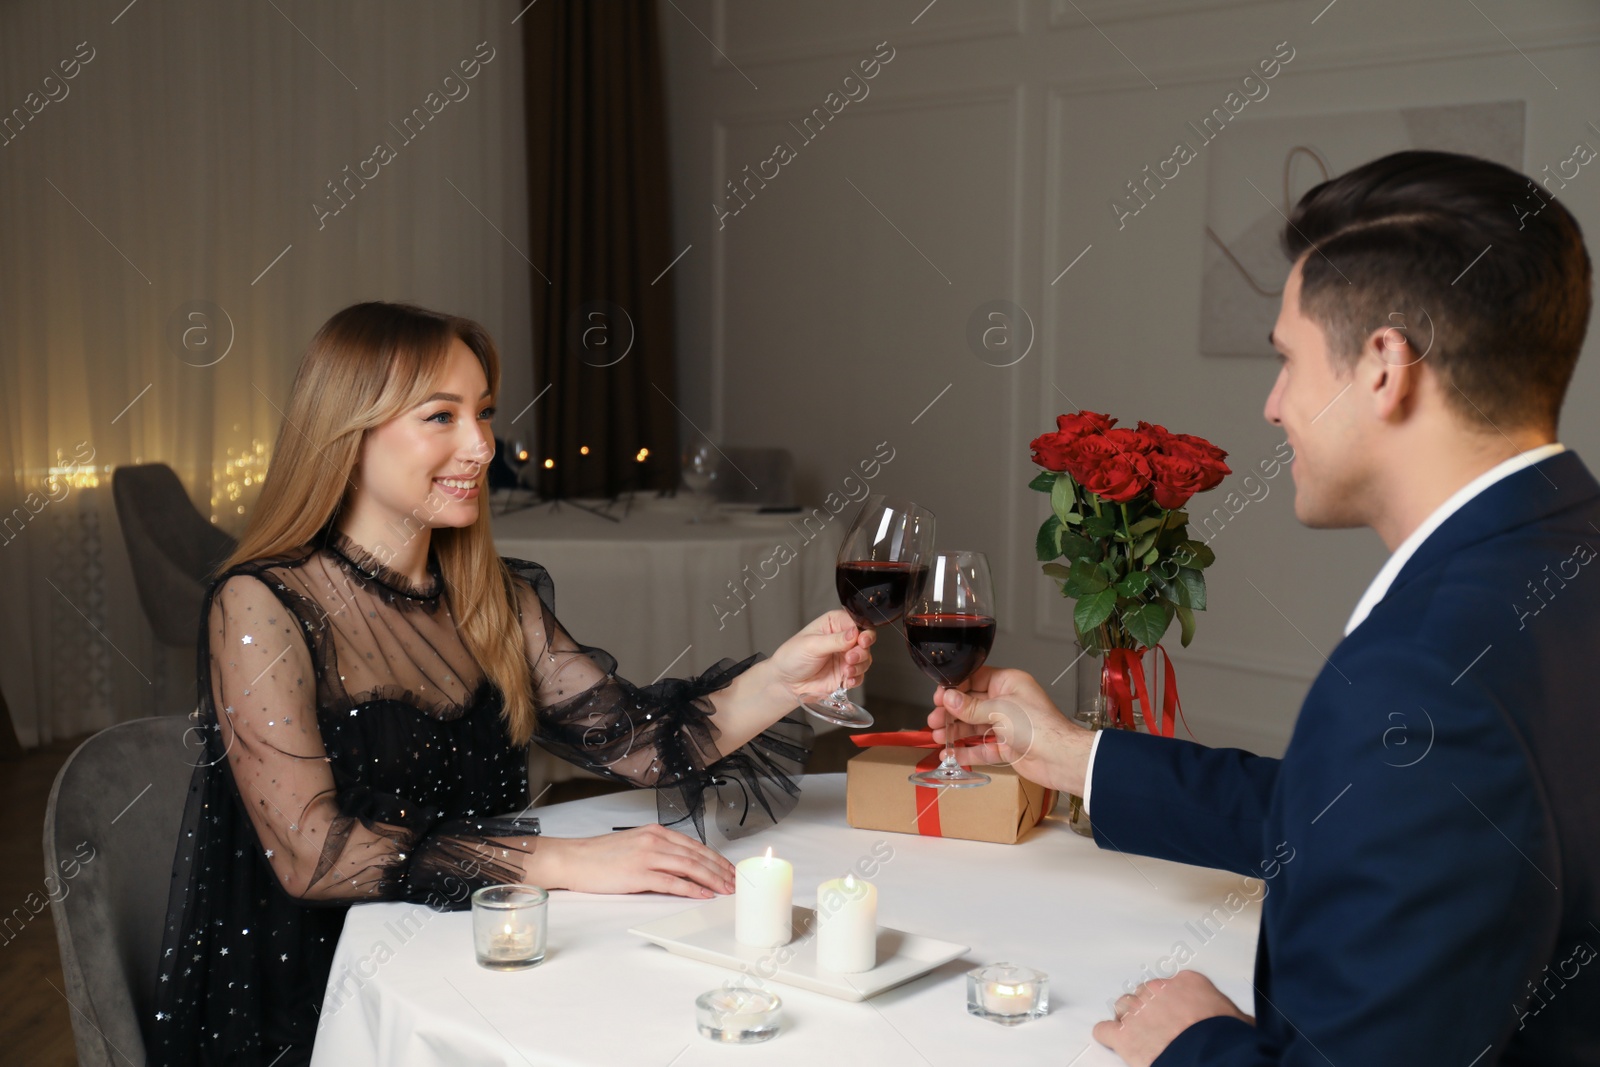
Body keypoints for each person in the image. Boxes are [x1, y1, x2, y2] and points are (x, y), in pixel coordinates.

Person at [932, 150, 1599, 1065]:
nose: (1273, 404)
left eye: (1287, 359)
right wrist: (1074, 756)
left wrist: (1195, 1041)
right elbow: (1377, 815)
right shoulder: (1568, 548)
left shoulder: (1427, 673)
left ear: (1383, 367)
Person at [148, 302, 874, 1066]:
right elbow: (314, 854)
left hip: (483, 945)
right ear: (347, 432)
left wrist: (784, 678)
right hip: (320, 989)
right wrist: (564, 861)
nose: (482, 444)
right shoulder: (263, 602)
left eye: (484, 413)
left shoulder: (493, 597)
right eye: (442, 416)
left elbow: (644, 746)